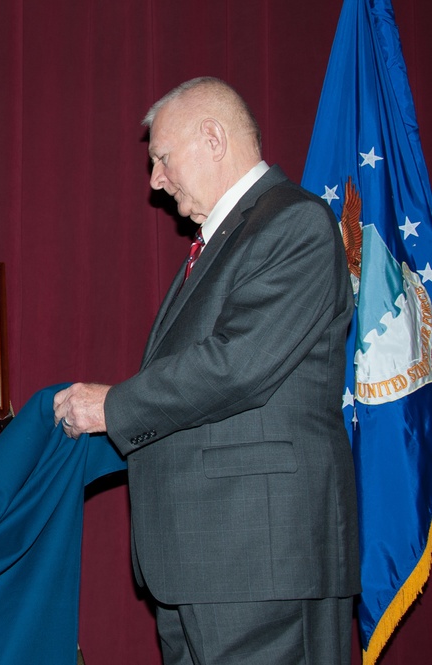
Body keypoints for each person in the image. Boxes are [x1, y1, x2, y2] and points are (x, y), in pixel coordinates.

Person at [53, 77, 360, 664]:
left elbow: (237, 365)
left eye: (163, 159)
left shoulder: (294, 223)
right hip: (203, 565)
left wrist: (112, 406)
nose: (155, 180)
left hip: (260, 564)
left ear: (213, 138)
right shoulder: (221, 241)